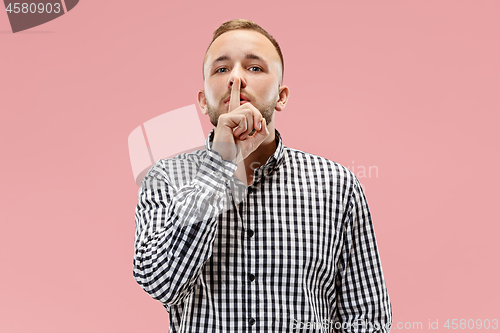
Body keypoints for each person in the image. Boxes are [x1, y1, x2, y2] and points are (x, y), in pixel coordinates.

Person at [133, 19, 392, 332]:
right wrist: (221, 164)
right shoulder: (166, 178)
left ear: (281, 96)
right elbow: (162, 283)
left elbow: (366, 319)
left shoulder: (337, 185)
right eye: (221, 69)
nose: (237, 79)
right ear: (203, 101)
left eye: (254, 68)